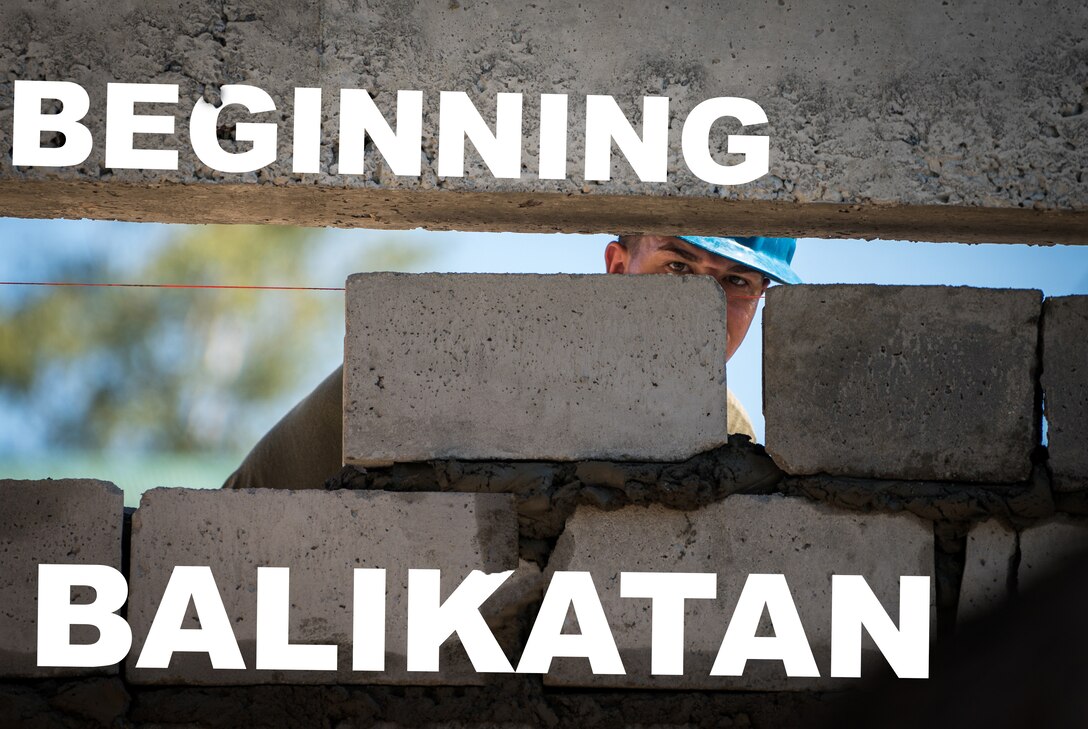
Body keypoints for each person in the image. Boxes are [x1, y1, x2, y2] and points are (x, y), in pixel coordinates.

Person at [223, 234, 800, 491]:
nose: (704, 305)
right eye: (677, 268)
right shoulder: (451, 365)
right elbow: (232, 528)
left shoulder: (725, 437)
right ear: (617, 267)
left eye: (738, 283)